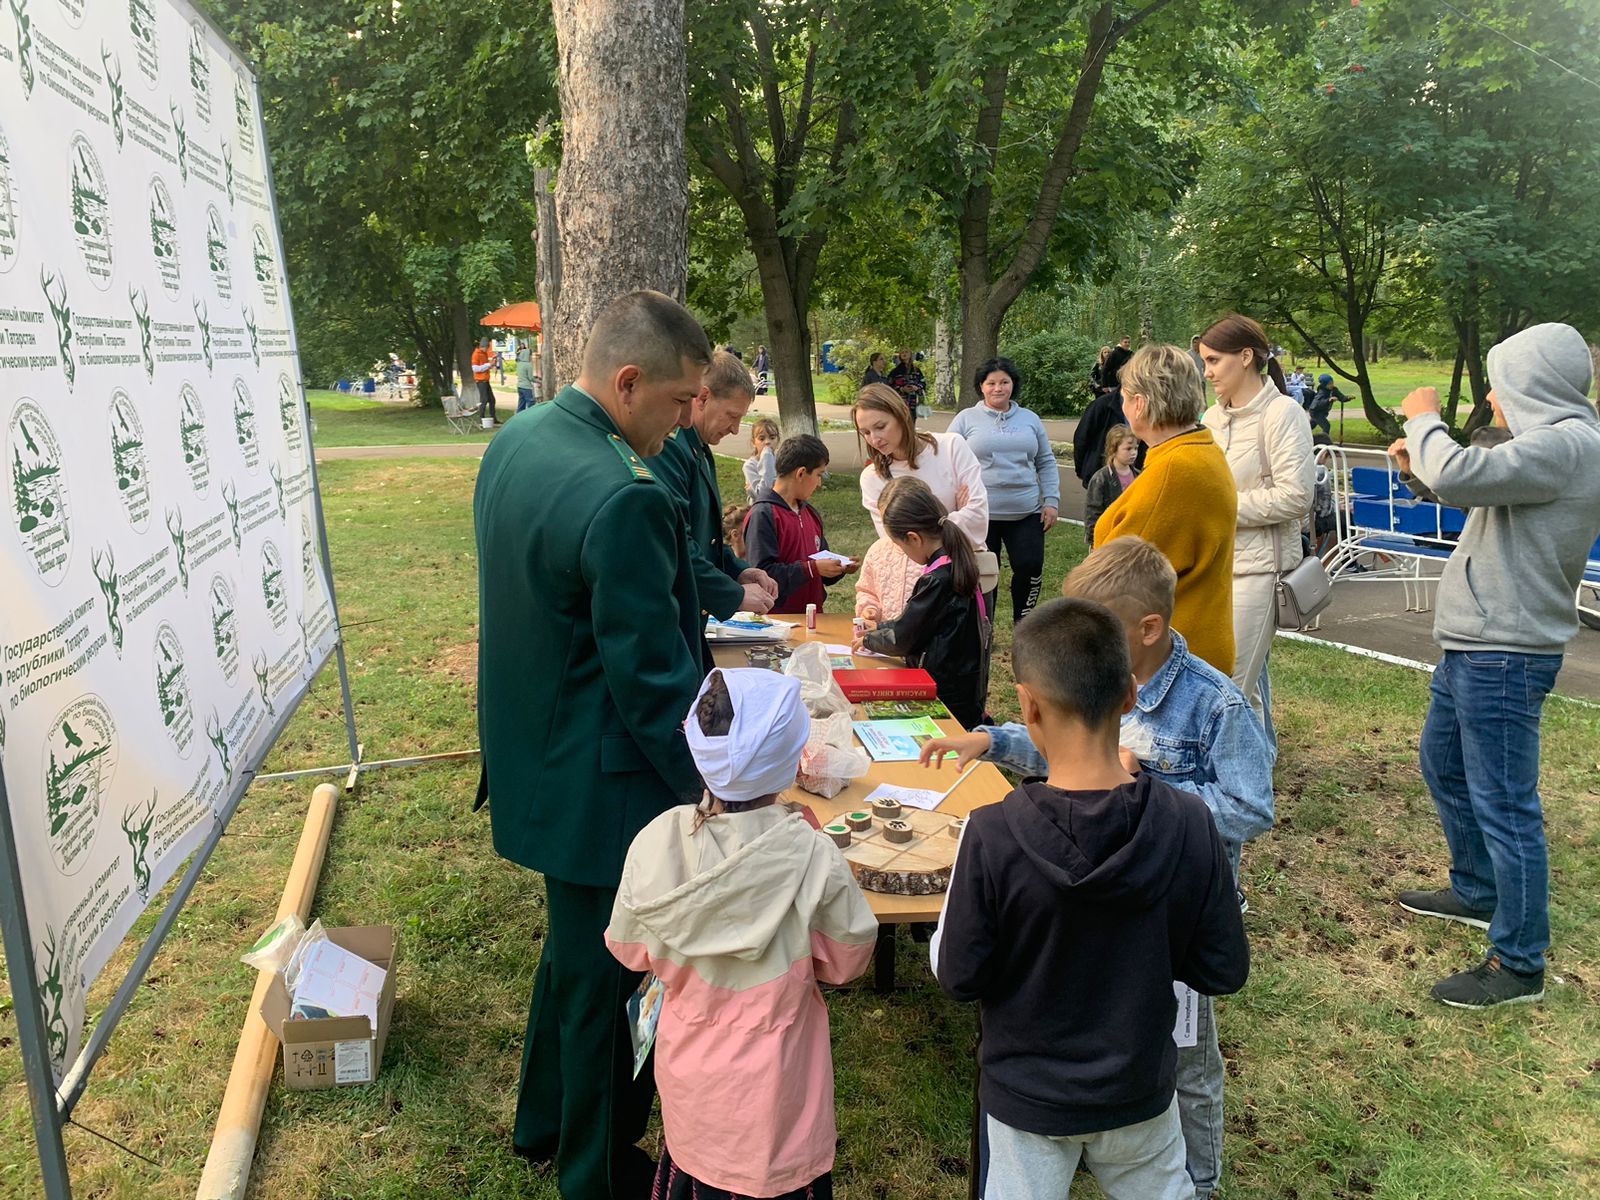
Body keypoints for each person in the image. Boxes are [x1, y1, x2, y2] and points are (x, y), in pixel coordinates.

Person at [922, 540, 1273, 1199]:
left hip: (1029, 1102)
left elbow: (960, 973)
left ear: (1028, 703)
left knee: (1195, 1072)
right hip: (1140, 1090)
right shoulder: (1185, 827)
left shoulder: (992, 835)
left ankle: (1206, 1180)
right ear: (1129, 696)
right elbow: (1224, 969)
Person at [474, 290, 712, 1200]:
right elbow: (653, 683)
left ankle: (544, 1124)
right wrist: (717, 787)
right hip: (602, 787)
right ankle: (599, 1173)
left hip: (540, 759)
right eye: (681, 401)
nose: (689, 420)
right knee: (611, 989)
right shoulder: (626, 496)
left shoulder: (521, 439)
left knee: (571, 961)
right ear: (627, 382)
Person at [1388, 323, 1600, 1008]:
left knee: (1507, 805)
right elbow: (1464, 489)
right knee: (1443, 762)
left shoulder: (1568, 447)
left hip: (1505, 652)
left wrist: (1424, 418)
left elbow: (1460, 470)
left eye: (1500, 381)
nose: (1490, 395)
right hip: (1480, 643)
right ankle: (1476, 889)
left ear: (1533, 384)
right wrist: (1418, 469)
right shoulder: (1553, 450)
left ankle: (1520, 962)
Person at [606, 668, 878, 1200]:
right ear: (789, 761)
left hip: (693, 1089)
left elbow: (629, 949)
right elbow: (847, 961)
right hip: (780, 1098)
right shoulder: (812, 855)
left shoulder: (655, 841)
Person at [1199, 314, 1314, 735]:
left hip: (1261, 570)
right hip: (1214, 567)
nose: (1207, 372)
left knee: (1227, 684)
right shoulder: (1211, 418)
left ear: (1246, 357)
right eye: (1204, 363)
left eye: (1214, 361)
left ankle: (1220, 785)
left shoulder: (1283, 413)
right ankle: (1257, 767)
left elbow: (1297, 496)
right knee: (1247, 684)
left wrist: (1222, 507)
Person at [1095, 344, 1238, 675]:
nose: (1123, 404)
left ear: (1140, 404)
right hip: (1194, 651)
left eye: (1126, 396)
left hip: (1167, 666)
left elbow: (1113, 582)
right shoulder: (1201, 449)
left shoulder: (1174, 471)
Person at [649, 350, 780, 670]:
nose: (736, 429)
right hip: (669, 618)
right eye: (732, 416)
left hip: (690, 614)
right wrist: (733, 594)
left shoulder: (697, 448)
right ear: (703, 397)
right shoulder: (670, 448)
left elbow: (705, 538)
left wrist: (737, 569)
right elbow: (679, 542)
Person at [855, 478, 991, 729]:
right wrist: (879, 626)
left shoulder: (937, 580)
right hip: (962, 689)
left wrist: (868, 640)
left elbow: (904, 638)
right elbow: (919, 621)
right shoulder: (956, 563)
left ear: (914, 538)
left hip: (943, 693)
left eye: (900, 545)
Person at [949, 357, 1060, 624]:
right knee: (985, 572)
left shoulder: (1030, 419)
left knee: (1030, 567)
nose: (998, 388)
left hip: (1026, 512)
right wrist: (954, 500)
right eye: (991, 383)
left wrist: (1051, 501)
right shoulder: (966, 419)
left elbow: (1045, 460)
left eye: (1004, 382)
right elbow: (946, 458)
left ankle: (1025, 624)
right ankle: (983, 625)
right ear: (981, 387)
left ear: (1013, 385)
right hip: (980, 514)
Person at [854, 383, 988, 549]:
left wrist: (919, 532)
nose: (874, 439)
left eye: (880, 427)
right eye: (865, 433)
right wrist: (953, 517)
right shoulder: (872, 478)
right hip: (914, 574)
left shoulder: (952, 446)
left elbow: (978, 520)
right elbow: (895, 543)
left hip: (967, 565)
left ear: (902, 414)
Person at [744, 434, 859, 613]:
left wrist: (839, 567)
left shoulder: (810, 514)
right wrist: (811, 569)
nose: (819, 483)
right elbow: (762, 575)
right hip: (778, 623)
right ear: (801, 473)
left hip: (813, 619)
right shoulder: (763, 514)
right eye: (819, 475)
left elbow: (820, 568)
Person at [1083, 424, 1138, 548]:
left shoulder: (1139, 476)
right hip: (1108, 539)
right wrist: (1094, 542)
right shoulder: (1101, 478)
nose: (1134, 453)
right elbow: (1092, 512)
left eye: (1136, 448)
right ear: (1113, 449)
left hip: (1134, 538)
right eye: (1128, 449)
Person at [853, 535, 924, 625]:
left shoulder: (935, 552)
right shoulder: (878, 549)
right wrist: (870, 608)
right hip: (884, 635)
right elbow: (867, 591)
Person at [743, 417, 779, 505]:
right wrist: (767, 458)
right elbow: (763, 493)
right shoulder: (749, 465)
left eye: (772, 438)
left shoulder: (780, 461)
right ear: (754, 442)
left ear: (778, 440)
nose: (767, 442)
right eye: (762, 439)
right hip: (761, 509)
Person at [887, 348, 926, 420]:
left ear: (911, 354)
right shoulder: (895, 371)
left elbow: (923, 382)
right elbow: (889, 385)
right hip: (900, 401)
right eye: (902, 352)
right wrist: (901, 389)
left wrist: (916, 388)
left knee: (911, 421)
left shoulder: (916, 370)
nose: (904, 354)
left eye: (906, 352)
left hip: (913, 401)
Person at [472, 336, 498, 423]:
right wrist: (488, 365)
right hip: (480, 381)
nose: (488, 349)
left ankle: (493, 418)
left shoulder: (484, 354)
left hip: (486, 380)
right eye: (487, 347)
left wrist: (491, 365)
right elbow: (475, 369)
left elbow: (485, 367)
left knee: (492, 400)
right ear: (484, 346)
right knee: (484, 399)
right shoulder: (476, 354)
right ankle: (482, 418)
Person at [515, 344, 539, 413]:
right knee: (531, 403)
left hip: (519, 386)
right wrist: (539, 381)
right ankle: (532, 416)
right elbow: (531, 378)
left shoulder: (519, 364)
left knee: (521, 404)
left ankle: (518, 417)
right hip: (527, 387)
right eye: (530, 355)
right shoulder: (528, 365)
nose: (531, 357)